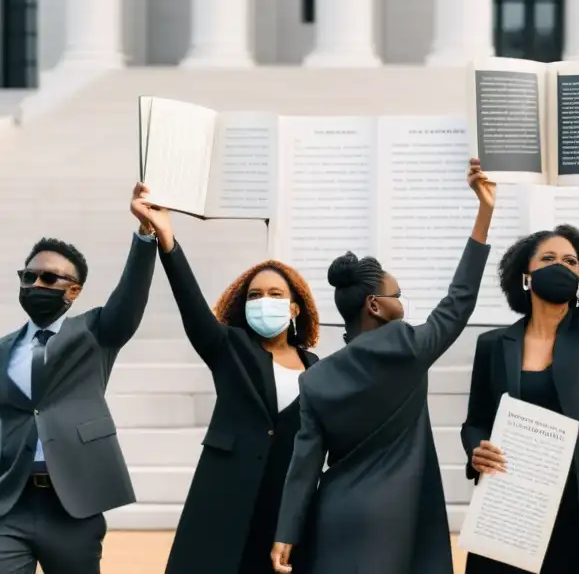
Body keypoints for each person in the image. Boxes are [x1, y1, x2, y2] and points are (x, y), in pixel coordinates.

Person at [270, 159, 495, 574]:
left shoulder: (314, 378)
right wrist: (485, 214)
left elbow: (304, 465)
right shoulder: (408, 345)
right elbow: (459, 300)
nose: (401, 301)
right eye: (396, 293)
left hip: (335, 514)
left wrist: (286, 533)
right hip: (398, 518)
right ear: (375, 305)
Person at [461, 153, 579, 574]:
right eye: (548, 259)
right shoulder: (493, 344)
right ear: (525, 277)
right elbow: (475, 421)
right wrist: (477, 450)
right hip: (514, 505)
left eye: (570, 261)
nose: (560, 266)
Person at [130, 198, 322, 574]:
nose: (263, 301)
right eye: (254, 295)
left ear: (295, 308)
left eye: (275, 294)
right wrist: (166, 238)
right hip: (223, 496)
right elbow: (191, 304)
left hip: (281, 506)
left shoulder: (315, 368)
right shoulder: (229, 346)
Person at [0, 182, 158, 574]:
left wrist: (145, 234)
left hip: (73, 506)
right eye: (28, 276)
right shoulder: (3, 348)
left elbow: (130, 298)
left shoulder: (95, 333)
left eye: (49, 279)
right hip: (9, 504)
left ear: (73, 291)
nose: (36, 284)